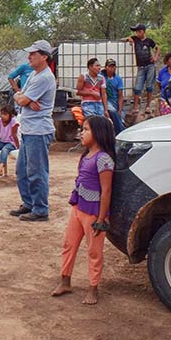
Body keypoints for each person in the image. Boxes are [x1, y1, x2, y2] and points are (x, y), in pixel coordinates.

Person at [51, 115, 116, 305]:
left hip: (94, 213)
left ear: (99, 133)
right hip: (79, 208)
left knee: (94, 251)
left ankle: (93, 288)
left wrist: (102, 218)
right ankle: (65, 281)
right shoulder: (85, 155)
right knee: (69, 244)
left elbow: (106, 191)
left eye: (86, 129)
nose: (81, 133)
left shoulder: (103, 159)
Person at [11, 40, 56, 222]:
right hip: (30, 129)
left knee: (37, 171)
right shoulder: (35, 74)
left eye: (33, 54)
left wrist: (24, 99)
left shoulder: (44, 77)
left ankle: (40, 209)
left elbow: (20, 99)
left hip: (38, 130)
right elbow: (18, 95)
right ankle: (29, 203)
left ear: (44, 56)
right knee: (22, 171)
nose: (29, 56)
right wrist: (26, 99)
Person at [126, 24, 159, 115]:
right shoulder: (135, 39)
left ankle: (148, 106)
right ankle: (135, 107)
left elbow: (157, 48)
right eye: (136, 32)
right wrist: (129, 39)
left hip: (150, 65)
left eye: (139, 31)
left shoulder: (149, 41)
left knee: (149, 86)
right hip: (140, 66)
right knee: (137, 87)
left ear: (144, 32)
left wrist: (155, 57)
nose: (137, 33)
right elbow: (124, 38)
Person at [101, 59, 125, 134]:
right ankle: (121, 132)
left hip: (115, 101)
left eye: (113, 66)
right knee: (113, 112)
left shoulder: (118, 79)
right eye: (109, 66)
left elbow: (120, 96)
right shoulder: (102, 77)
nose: (112, 68)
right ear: (106, 67)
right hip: (106, 100)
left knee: (121, 117)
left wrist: (120, 110)